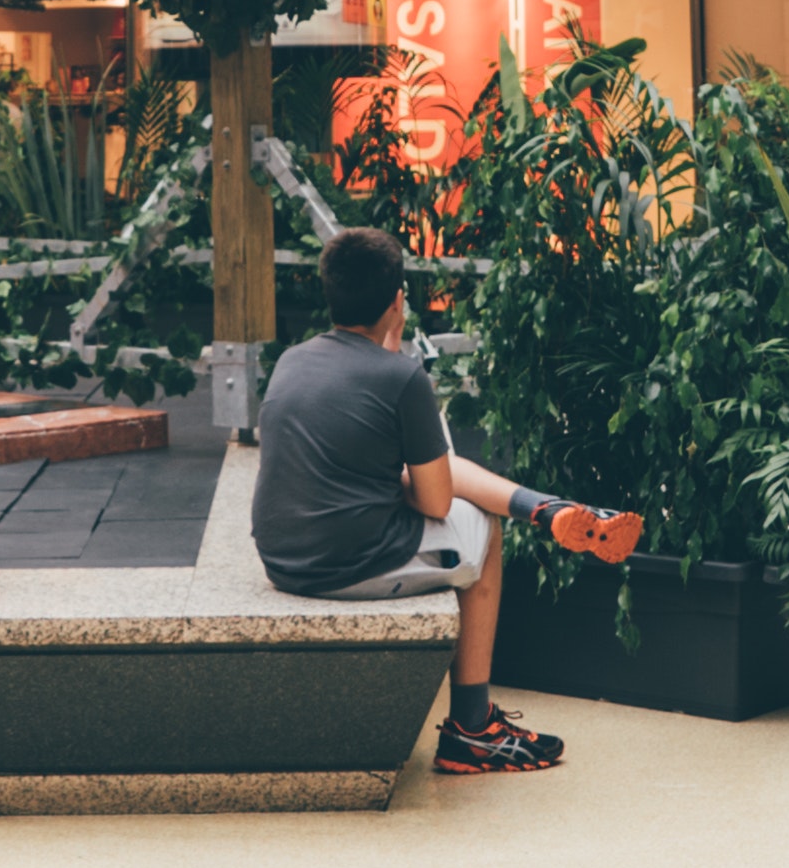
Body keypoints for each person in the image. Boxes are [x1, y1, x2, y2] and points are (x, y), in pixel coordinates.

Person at [254, 227, 642, 776]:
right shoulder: (402, 377)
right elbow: (437, 503)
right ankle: (472, 729)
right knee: (482, 524)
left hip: (282, 559)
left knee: (432, 469)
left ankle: (548, 508)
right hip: (345, 566)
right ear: (397, 302)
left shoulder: (291, 360)